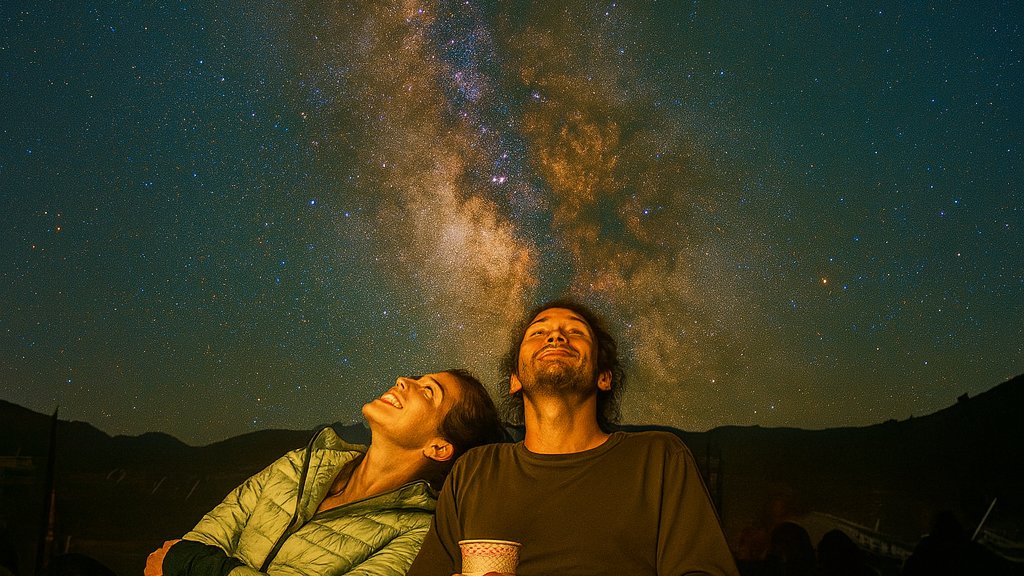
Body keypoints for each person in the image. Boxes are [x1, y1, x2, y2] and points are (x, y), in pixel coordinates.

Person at [407, 300, 740, 576]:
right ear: (515, 380)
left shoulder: (658, 457)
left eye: (575, 332)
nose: (555, 337)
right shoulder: (475, 470)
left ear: (604, 377)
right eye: (538, 333)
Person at [146, 369, 506, 576]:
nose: (402, 380)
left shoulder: (416, 533)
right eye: (415, 377)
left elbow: (179, 557)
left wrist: (190, 566)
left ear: (439, 448)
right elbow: (201, 539)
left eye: (428, 391)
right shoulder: (299, 464)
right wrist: (187, 558)